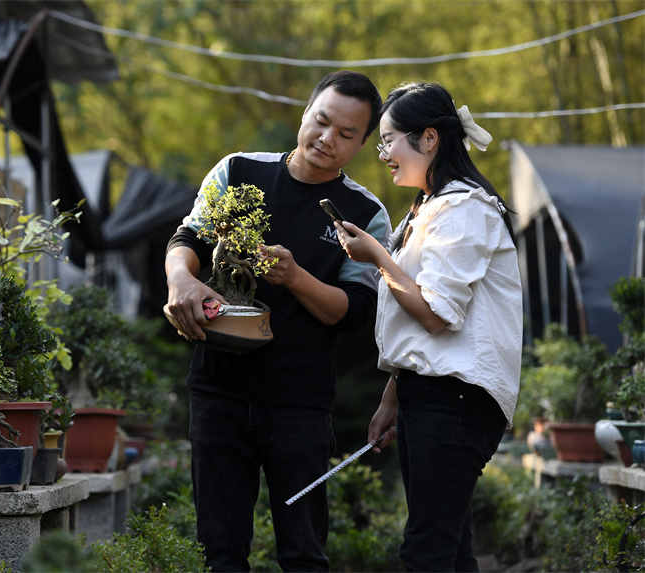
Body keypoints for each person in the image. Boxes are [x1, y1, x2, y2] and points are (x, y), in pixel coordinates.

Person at [163, 70, 391, 572]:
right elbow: (190, 238)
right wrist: (180, 279)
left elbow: (357, 311)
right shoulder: (238, 171)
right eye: (321, 121)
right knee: (219, 552)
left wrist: (295, 277)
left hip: (300, 402)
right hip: (219, 390)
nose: (327, 138)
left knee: (303, 553)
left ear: (362, 145)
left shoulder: (364, 213)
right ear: (305, 113)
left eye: (346, 133)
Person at [335, 81, 522, 572]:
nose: (384, 155)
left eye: (388, 141)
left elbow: (436, 314)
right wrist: (393, 399)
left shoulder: (463, 208)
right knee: (449, 551)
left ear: (430, 138)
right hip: (433, 393)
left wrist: (378, 258)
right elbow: (422, 328)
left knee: (427, 551)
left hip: (456, 397)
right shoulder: (430, 208)